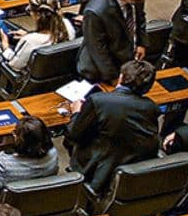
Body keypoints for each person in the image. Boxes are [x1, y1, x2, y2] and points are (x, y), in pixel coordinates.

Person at [68, 60, 161, 191]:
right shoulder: (151, 107)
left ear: (121, 77)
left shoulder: (98, 101)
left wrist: (76, 112)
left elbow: (74, 134)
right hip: (133, 167)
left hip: (98, 169)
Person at [76, 0, 146, 85]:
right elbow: (97, 48)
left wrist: (141, 43)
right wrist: (113, 77)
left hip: (125, 58)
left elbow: (140, 17)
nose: (141, 1)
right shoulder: (96, 11)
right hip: (100, 70)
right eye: (136, 0)